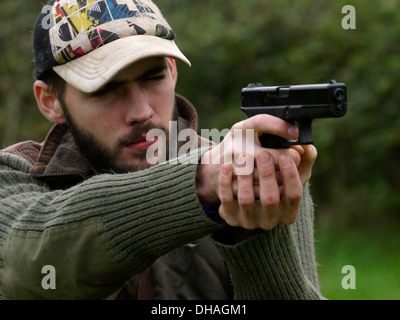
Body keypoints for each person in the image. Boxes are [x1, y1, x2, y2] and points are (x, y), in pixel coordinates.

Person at [0, 0, 322, 300]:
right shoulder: (13, 177)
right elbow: (28, 261)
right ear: (50, 101)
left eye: (153, 78)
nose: (141, 111)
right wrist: (201, 184)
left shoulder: (252, 171)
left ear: (173, 71)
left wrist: (250, 227)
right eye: (106, 89)